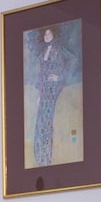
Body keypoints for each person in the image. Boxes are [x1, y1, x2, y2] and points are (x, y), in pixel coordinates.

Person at [28, 25, 71, 166]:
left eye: (49, 34)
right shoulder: (43, 52)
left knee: (47, 122)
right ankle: (39, 155)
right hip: (44, 90)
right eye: (45, 34)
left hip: (53, 90)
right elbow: (41, 74)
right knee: (40, 122)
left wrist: (58, 77)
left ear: (54, 35)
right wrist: (40, 94)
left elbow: (71, 62)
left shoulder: (58, 50)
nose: (47, 36)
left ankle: (46, 156)